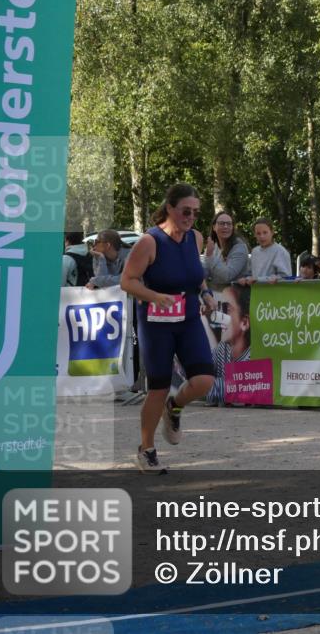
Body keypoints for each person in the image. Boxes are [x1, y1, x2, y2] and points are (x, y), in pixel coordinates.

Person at [121, 183, 216, 473]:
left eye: (195, 213)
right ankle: (146, 449)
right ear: (170, 208)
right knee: (158, 388)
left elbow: (195, 275)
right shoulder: (150, 242)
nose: (190, 217)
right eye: (185, 211)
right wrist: (154, 297)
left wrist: (206, 293)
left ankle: (174, 408)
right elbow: (128, 281)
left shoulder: (195, 238)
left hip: (187, 320)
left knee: (204, 381)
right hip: (156, 324)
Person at [207, 283, 252, 406]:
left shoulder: (253, 357)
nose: (219, 317)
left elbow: (235, 391)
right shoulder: (223, 348)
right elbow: (200, 373)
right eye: (219, 308)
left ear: (244, 322)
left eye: (226, 309)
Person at [203, 211, 250, 290]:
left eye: (229, 224)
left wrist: (210, 256)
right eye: (222, 223)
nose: (225, 226)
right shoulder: (213, 246)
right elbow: (206, 271)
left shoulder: (239, 247)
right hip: (218, 295)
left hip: (238, 298)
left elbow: (227, 276)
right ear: (214, 227)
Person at [244, 218, 292, 283]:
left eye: (265, 232)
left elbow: (286, 277)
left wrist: (261, 279)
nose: (262, 236)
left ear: (272, 232)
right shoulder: (255, 251)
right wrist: (245, 279)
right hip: (256, 291)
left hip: (274, 292)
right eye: (258, 233)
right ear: (254, 235)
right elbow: (250, 274)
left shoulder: (280, 251)